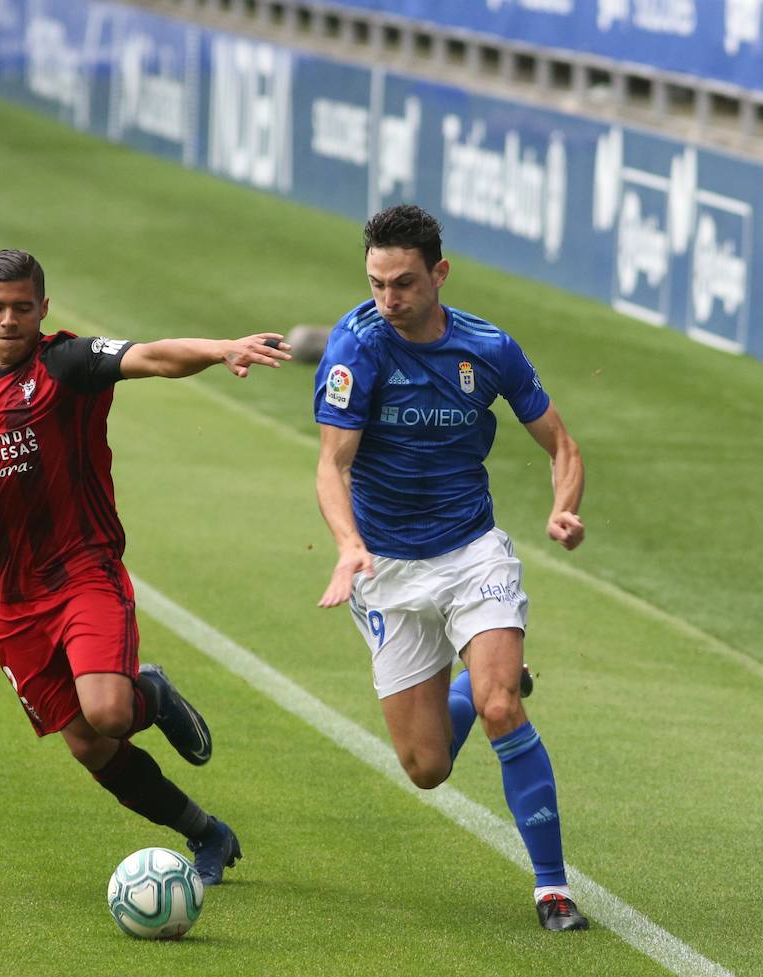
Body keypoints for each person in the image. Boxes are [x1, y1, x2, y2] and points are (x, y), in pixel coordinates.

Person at [0, 249, 290, 884]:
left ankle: (149, 694)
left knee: (111, 714)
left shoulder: (65, 363)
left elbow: (150, 355)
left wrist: (222, 347)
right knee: (91, 744)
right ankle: (208, 834)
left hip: (82, 573)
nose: (10, 320)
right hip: (10, 600)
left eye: (23, 307)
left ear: (43, 308)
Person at [313, 204, 589, 931]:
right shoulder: (357, 347)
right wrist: (347, 544)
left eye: (403, 283)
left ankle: (552, 886)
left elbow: (561, 444)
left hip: (472, 552)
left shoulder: (488, 348)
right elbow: (331, 465)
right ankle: (475, 681)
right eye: (375, 283)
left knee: (504, 708)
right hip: (388, 568)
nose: (387, 299)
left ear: (439, 273)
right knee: (428, 767)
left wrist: (563, 509)